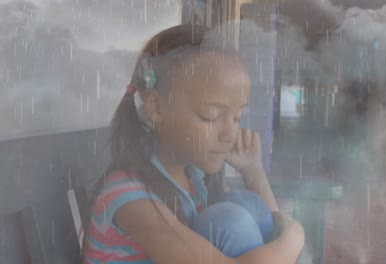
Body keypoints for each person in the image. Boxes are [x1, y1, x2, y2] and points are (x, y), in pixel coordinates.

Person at [82, 24, 304, 264]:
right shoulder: (129, 196)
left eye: (237, 117)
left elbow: (270, 227)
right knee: (229, 221)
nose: (230, 133)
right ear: (157, 107)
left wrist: (253, 172)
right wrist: (295, 237)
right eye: (211, 116)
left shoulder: (191, 179)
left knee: (248, 205)